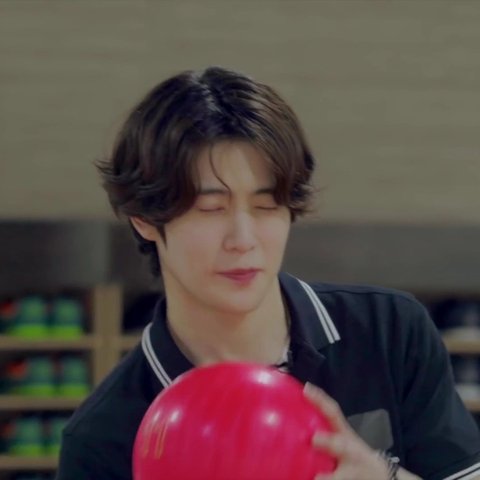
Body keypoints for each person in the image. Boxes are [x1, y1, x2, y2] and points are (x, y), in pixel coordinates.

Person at [56, 67, 480, 480]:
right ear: (145, 219)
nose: (243, 240)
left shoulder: (389, 331)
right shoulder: (103, 438)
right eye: (211, 209)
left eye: (266, 206)